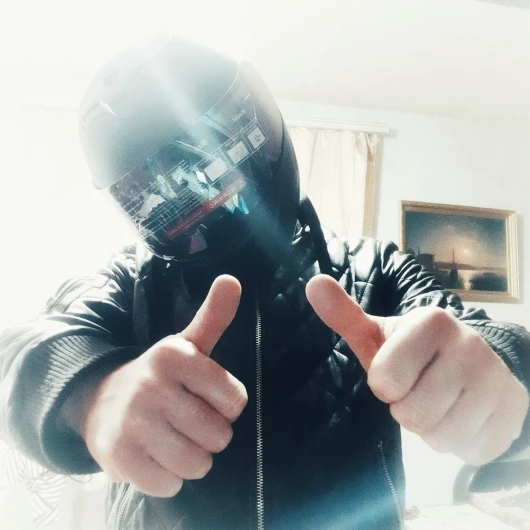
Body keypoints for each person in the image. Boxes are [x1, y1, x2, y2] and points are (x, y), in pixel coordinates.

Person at [1, 35, 529, 530]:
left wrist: (495, 376)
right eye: (159, 192)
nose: (205, 196)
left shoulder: (377, 267)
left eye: (215, 159)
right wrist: (93, 394)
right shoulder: (130, 283)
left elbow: (484, 337)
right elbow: (22, 351)